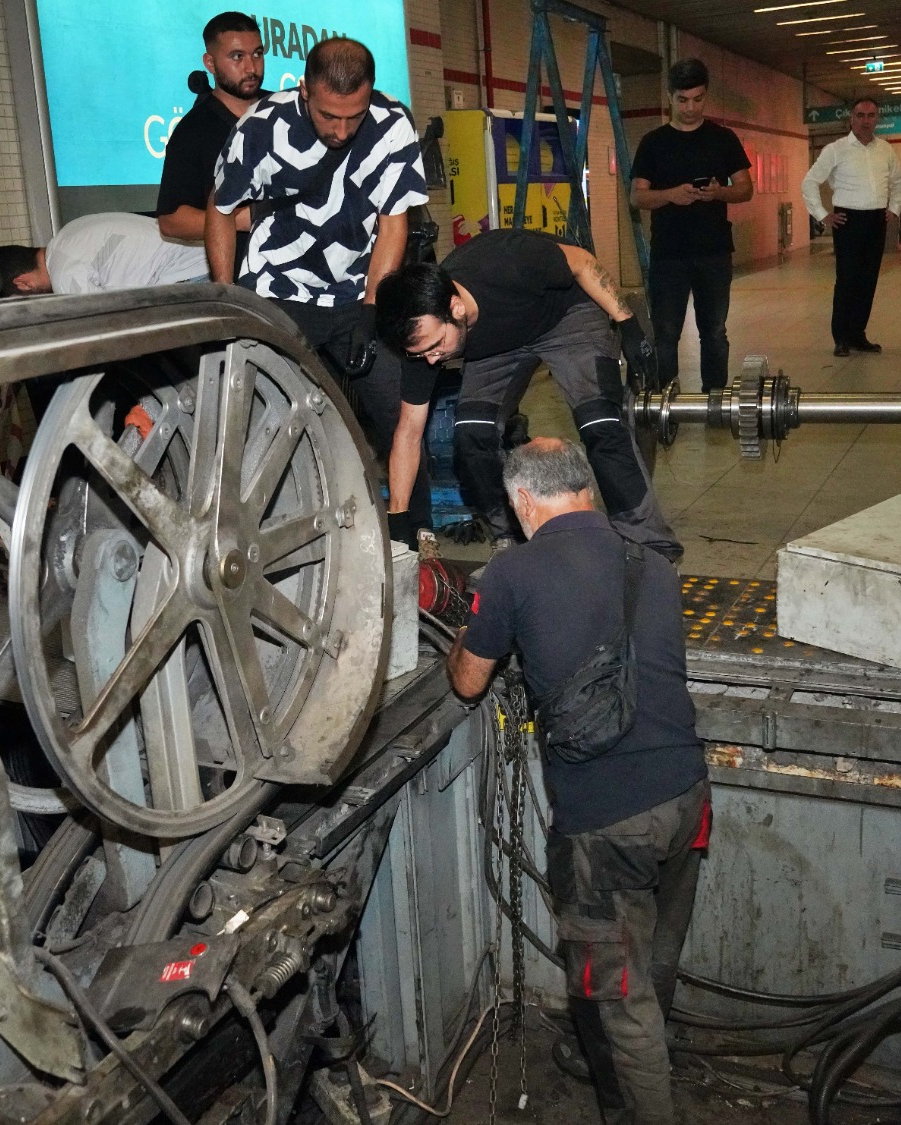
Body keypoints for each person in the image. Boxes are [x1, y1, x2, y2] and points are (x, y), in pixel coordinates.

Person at [445, 436, 709, 1125]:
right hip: (687, 800)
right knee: (650, 963)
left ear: (525, 500)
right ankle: (631, 1071)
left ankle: (642, 1107)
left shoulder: (512, 575)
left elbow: (469, 680)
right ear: (585, 488)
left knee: (621, 1003)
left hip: (606, 827)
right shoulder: (652, 563)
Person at [207, 37, 432, 530]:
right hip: (278, 292)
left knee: (404, 418)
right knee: (262, 426)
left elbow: (394, 224)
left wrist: (372, 311)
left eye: (354, 116)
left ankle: (415, 545)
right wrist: (227, 302)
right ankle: (258, 536)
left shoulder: (392, 125)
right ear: (305, 91)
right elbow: (221, 210)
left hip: (359, 295)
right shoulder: (261, 128)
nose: (341, 130)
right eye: (330, 116)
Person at [374, 229, 680, 561]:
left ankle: (649, 547)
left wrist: (628, 324)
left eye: (435, 346)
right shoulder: (425, 344)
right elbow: (408, 432)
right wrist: (398, 521)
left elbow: (583, 263)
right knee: (471, 435)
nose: (431, 360)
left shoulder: (507, 264)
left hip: (565, 317)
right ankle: (512, 538)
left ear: (456, 307)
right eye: (421, 354)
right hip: (494, 348)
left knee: (600, 422)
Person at [630, 58, 753, 393]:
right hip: (669, 254)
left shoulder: (723, 139)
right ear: (670, 97)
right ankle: (666, 402)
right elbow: (637, 198)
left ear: (706, 97)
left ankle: (714, 399)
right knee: (666, 333)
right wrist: (670, 194)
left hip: (713, 252)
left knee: (713, 330)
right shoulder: (653, 143)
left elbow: (745, 188)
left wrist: (719, 192)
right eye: (683, 100)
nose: (690, 107)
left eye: (698, 99)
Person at [801, 98, 901, 357]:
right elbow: (809, 182)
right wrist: (822, 215)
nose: (866, 120)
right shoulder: (835, 149)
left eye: (871, 115)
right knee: (847, 280)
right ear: (851, 118)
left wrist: (894, 208)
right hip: (847, 220)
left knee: (868, 280)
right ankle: (841, 337)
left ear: (877, 119)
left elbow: (900, 181)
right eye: (860, 115)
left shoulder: (885, 149)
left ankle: (858, 335)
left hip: (876, 220)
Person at [156, 11, 264, 265]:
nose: (251, 68)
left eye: (257, 54)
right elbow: (171, 220)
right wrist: (238, 219)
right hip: (248, 283)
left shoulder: (286, 109)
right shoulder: (193, 131)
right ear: (210, 63)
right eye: (237, 56)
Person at [0, 212, 206, 297]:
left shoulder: (65, 275)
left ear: (22, 284)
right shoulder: (67, 235)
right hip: (196, 258)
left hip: (193, 275)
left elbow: (107, 328)